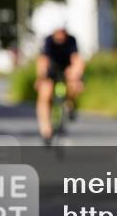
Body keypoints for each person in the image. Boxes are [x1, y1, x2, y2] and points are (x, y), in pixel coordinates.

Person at [35, 15, 84, 144]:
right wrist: (41, 76)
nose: (61, 35)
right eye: (59, 32)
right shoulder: (48, 41)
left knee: (75, 84)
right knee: (45, 94)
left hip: (67, 69)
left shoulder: (71, 40)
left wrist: (77, 73)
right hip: (52, 69)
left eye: (63, 31)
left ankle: (70, 104)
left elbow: (76, 58)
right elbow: (43, 60)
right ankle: (46, 130)